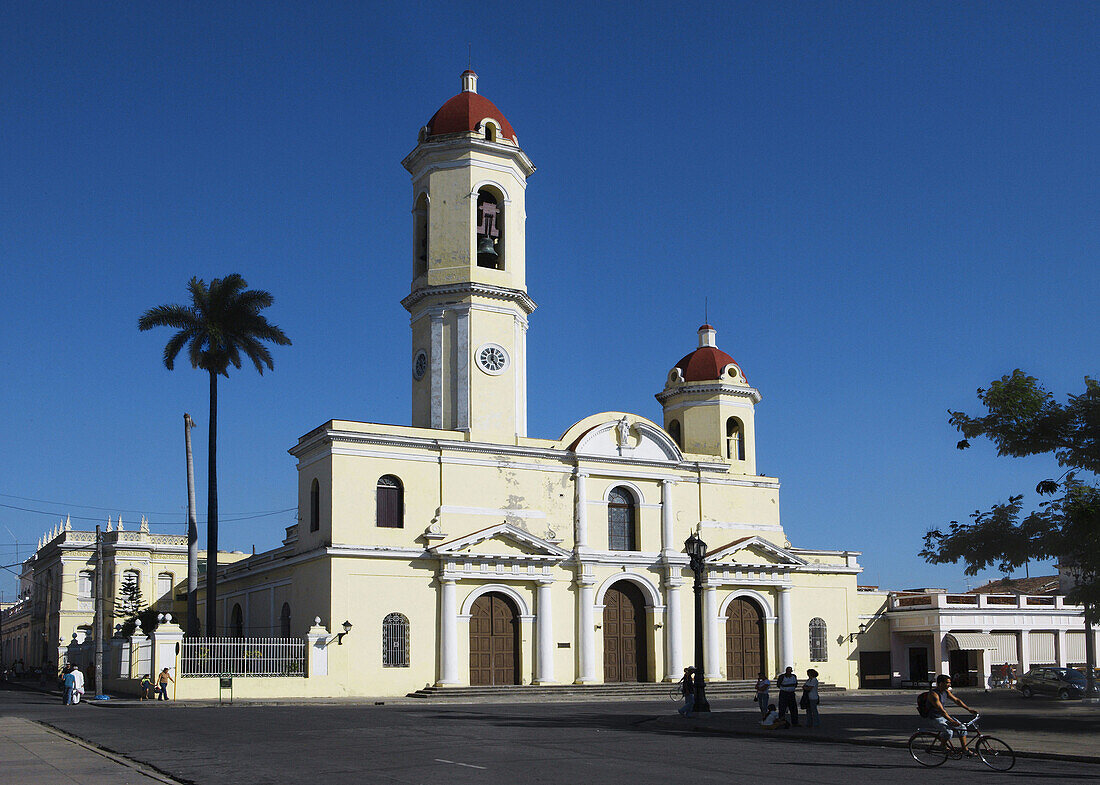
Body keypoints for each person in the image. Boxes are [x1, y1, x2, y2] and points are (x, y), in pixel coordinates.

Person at [927, 674, 978, 754]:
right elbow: (941, 710)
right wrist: (951, 721)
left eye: (949, 683)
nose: (949, 685)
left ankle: (965, 749)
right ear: (940, 683)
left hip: (943, 716)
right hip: (934, 717)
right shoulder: (933, 694)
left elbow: (957, 700)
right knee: (948, 732)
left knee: (962, 727)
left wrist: (969, 709)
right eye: (947, 683)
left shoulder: (946, 692)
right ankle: (942, 746)